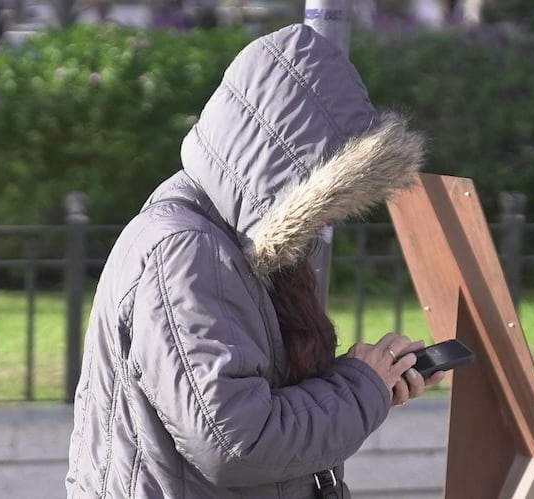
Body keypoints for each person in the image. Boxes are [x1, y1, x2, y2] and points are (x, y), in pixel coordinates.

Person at [65, 23, 442, 498]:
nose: (325, 224)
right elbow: (237, 443)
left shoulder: (221, 241)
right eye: (327, 199)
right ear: (286, 175)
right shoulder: (186, 252)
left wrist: (370, 382)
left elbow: (247, 408)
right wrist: (358, 389)